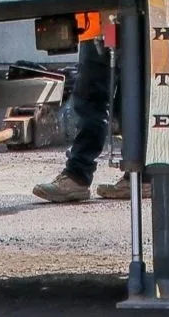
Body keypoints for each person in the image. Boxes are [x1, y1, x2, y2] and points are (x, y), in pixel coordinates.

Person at [33, 21, 131, 202]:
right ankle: (77, 176)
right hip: (96, 22)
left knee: (131, 95)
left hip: (129, 15)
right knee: (89, 95)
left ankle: (139, 173)